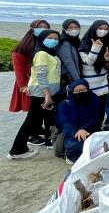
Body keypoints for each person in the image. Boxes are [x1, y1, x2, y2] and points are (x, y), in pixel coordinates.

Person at [7, 29, 61, 159]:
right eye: (50, 37)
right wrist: (47, 95)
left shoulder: (51, 53)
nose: (53, 40)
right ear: (42, 39)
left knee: (37, 120)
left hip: (46, 93)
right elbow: (41, 75)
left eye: (56, 38)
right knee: (31, 121)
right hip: (41, 94)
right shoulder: (41, 53)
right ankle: (17, 150)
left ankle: (46, 142)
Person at [55, 79, 103, 163]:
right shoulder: (65, 104)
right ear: (72, 92)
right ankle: (69, 156)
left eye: (83, 90)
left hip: (91, 130)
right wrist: (78, 132)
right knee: (79, 146)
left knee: (100, 144)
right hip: (72, 133)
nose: (80, 93)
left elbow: (97, 117)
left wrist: (83, 128)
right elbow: (65, 123)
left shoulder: (95, 100)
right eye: (76, 91)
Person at [10, 20, 51, 114]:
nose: (43, 29)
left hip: (46, 81)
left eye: (46, 27)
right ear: (32, 29)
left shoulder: (47, 44)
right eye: (39, 27)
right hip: (30, 83)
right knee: (34, 111)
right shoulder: (22, 47)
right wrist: (23, 86)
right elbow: (19, 69)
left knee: (46, 109)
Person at [78, 20, 109, 97]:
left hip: (103, 85)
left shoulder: (108, 43)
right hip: (89, 84)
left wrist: (108, 60)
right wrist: (95, 48)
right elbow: (88, 62)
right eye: (100, 28)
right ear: (94, 28)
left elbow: (108, 68)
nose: (103, 31)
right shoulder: (85, 44)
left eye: (106, 29)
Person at [57, 19, 82, 87]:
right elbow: (69, 63)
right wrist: (78, 80)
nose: (73, 30)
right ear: (65, 29)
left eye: (76, 27)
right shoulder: (64, 43)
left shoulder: (76, 41)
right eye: (70, 28)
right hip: (69, 78)